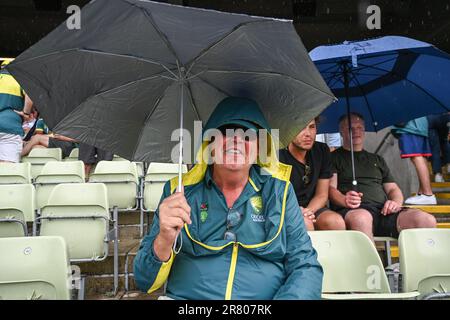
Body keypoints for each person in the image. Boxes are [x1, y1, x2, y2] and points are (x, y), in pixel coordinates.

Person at [134, 97, 323, 300]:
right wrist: (164, 239)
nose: (236, 140)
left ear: (260, 147)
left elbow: (305, 266)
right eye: (225, 132)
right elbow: (145, 281)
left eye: (248, 135)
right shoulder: (178, 192)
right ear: (209, 144)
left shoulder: (280, 192)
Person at [329, 113, 436, 241]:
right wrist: (344, 199)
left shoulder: (377, 159)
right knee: (362, 218)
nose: (356, 132)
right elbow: (330, 189)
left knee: (426, 220)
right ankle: (369, 262)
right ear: (341, 132)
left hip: (383, 211)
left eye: (360, 128)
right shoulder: (333, 158)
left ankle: (416, 261)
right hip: (354, 211)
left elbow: (393, 189)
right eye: (351, 128)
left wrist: (395, 202)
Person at [278, 118, 345, 231]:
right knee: (304, 223)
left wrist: (307, 212)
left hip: (314, 207)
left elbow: (322, 195)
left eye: (312, 127)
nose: (308, 134)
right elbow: (271, 195)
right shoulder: (275, 152)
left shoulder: (322, 150)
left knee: (335, 222)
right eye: (300, 128)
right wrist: (299, 214)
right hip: (283, 208)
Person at [391, 117, 436, 205]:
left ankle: (427, 194)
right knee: (421, 157)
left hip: (411, 126)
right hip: (420, 125)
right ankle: (422, 193)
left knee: (416, 157)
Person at [0, 59, 33, 163]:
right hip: (10, 126)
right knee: (8, 167)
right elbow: (30, 97)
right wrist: (26, 113)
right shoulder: (21, 79)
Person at [427, 113, 450, 182]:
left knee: (434, 148)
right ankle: (449, 165)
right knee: (444, 141)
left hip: (430, 118)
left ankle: (438, 175)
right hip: (444, 116)